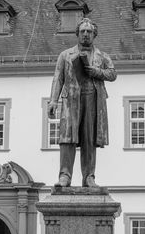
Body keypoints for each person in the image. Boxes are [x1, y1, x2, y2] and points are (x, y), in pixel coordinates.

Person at [48, 18, 117, 187]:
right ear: (77, 34)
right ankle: (65, 175)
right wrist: (53, 101)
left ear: (94, 35)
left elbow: (113, 74)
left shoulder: (102, 56)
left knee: (89, 138)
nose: (86, 34)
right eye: (83, 31)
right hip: (71, 99)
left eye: (89, 32)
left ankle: (89, 177)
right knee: (67, 137)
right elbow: (58, 78)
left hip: (93, 99)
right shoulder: (65, 55)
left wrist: (96, 72)